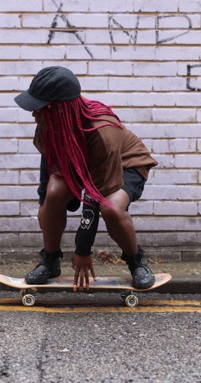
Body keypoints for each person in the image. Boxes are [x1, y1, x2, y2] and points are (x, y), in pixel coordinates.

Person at [14, 66, 158, 290]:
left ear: (56, 108)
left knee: (111, 208)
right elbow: (49, 161)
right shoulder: (48, 122)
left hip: (125, 163)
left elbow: (94, 196)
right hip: (78, 160)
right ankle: (50, 260)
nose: (34, 113)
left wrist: (83, 249)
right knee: (52, 196)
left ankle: (136, 261)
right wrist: (45, 205)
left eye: (38, 107)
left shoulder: (101, 133)